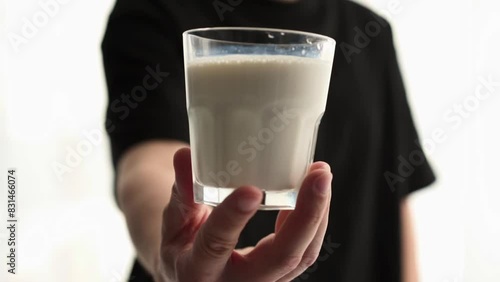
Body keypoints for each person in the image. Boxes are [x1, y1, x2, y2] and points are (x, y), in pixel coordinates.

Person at [101, 0, 435, 281]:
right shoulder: (155, 9)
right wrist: (169, 259)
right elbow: (147, 165)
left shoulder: (370, 30)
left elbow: (394, 196)